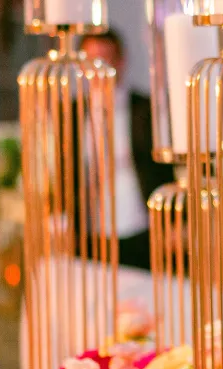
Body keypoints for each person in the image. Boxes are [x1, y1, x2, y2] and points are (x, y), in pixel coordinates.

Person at [79, 30, 174, 270]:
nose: (99, 70)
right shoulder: (72, 113)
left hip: (140, 225)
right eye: (91, 62)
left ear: (120, 62)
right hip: (90, 229)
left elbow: (163, 168)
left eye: (106, 60)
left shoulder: (144, 109)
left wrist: (173, 222)